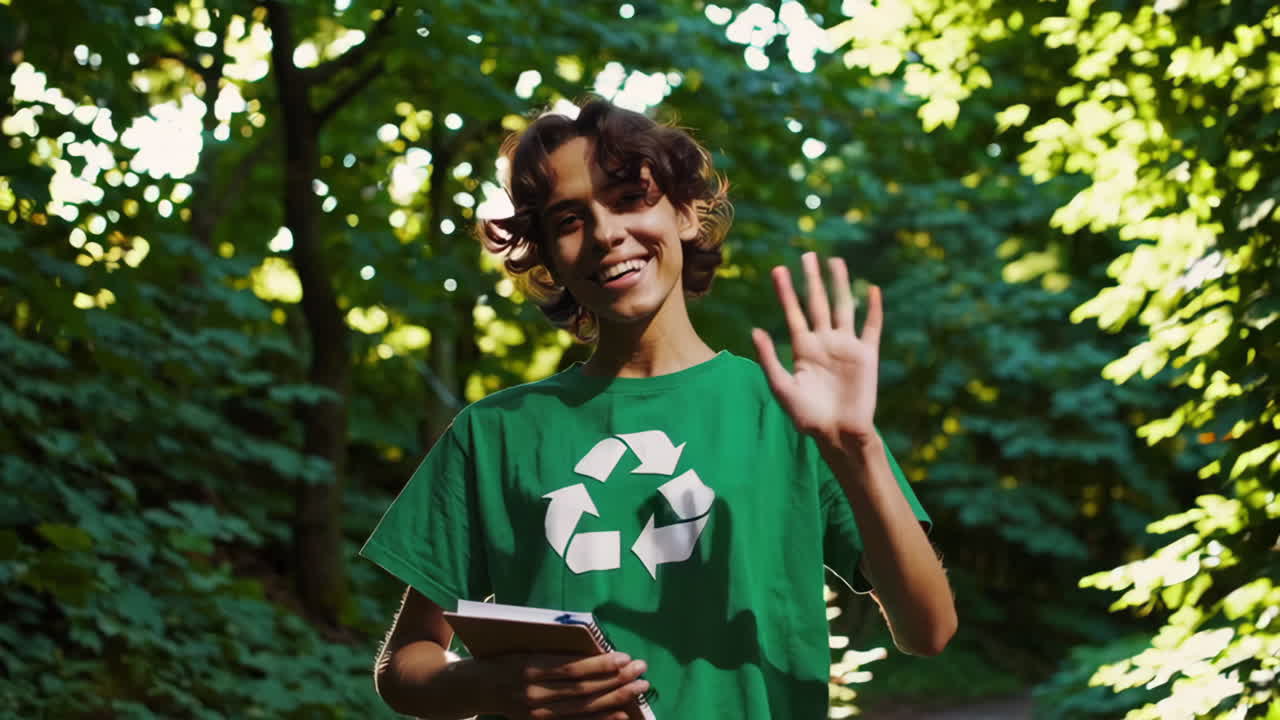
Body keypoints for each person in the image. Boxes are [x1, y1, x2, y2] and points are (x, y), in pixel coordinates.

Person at [361, 98, 956, 720]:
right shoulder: (494, 434)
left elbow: (928, 629)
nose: (605, 233)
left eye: (628, 198)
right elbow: (406, 663)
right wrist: (488, 686)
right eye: (569, 220)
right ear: (547, 256)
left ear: (686, 213)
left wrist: (856, 449)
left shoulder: (791, 411)